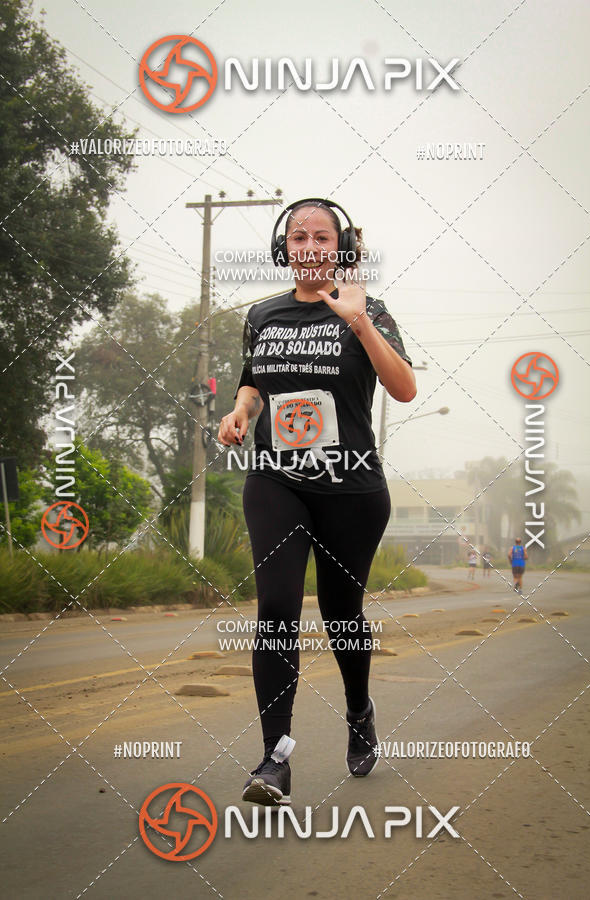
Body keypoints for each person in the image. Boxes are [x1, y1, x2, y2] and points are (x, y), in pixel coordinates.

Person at [218, 198, 416, 806]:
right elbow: (256, 381)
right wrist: (241, 411)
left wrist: (358, 322)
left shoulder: (370, 310)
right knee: (277, 606)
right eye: (298, 236)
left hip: (352, 485)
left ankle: (359, 711)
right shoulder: (263, 314)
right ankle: (274, 758)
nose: (308, 245)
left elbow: (405, 388)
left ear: (340, 247)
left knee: (340, 614)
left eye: (320, 236)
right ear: (285, 247)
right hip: (277, 478)